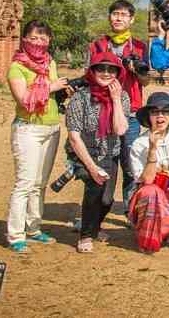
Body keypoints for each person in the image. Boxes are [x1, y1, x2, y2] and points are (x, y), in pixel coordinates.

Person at [5, 20, 71, 254]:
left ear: (49, 41)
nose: (38, 43)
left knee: (40, 183)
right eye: (33, 38)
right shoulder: (17, 67)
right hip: (28, 128)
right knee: (25, 183)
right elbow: (24, 99)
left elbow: (52, 95)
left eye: (43, 39)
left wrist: (62, 91)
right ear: (24, 39)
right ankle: (15, 234)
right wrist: (52, 87)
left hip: (51, 127)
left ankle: (33, 227)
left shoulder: (49, 62)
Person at [87, 0, 150, 216]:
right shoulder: (97, 46)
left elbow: (146, 81)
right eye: (115, 14)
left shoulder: (140, 47)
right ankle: (98, 211)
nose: (119, 18)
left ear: (131, 19)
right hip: (102, 111)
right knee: (103, 161)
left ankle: (130, 211)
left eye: (123, 15)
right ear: (109, 17)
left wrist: (135, 70)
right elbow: (89, 77)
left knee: (131, 164)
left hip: (130, 112)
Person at [65, 52, 131, 253]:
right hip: (84, 152)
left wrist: (116, 100)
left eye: (111, 69)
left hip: (109, 153)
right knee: (95, 186)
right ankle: (86, 235)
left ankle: (94, 227)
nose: (106, 73)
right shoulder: (81, 97)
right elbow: (74, 137)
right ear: (92, 71)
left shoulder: (123, 97)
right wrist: (92, 167)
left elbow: (120, 130)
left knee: (106, 199)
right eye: (101, 69)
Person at [127, 92, 169, 253]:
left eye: (165, 111)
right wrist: (152, 149)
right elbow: (146, 180)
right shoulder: (139, 143)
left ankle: (161, 229)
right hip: (148, 201)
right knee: (150, 191)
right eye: (155, 112)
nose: (160, 116)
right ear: (148, 116)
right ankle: (147, 237)